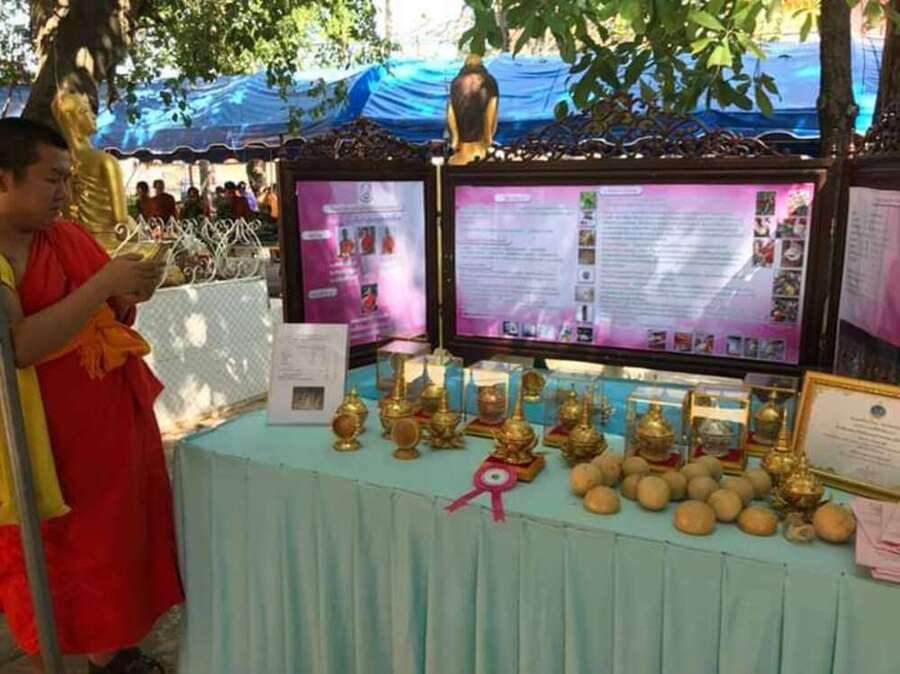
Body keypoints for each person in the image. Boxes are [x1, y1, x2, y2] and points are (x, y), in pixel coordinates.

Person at [0, 118, 183, 673]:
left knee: (113, 556)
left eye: (67, 179)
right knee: (51, 567)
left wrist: (131, 288)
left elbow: (104, 309)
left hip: (108, 432)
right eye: (52, 179)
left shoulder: (66, 236)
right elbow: (18, 346)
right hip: (44, 449)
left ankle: (112, 652)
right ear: (4, 180)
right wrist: (103, 285)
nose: (64, 192)